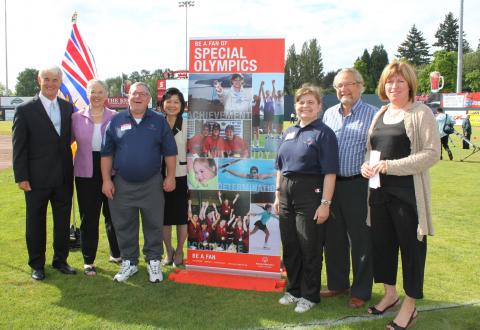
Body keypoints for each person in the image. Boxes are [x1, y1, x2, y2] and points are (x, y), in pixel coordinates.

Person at [360, 60, 440, 330]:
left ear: (410, 85)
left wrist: (390, 166)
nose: (393, 86)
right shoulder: (380, 112)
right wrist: (366, 165)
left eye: (400, 81)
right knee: (382, 245)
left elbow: (431, 154)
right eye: (389, 81)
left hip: (407, 194)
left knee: (411, 250)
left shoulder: (421, 112)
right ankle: (390, 295)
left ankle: (409, 306)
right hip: (378, 193)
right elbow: (373, 148)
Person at [101, 82, 177, 283]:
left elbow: (169, 152)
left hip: (152, 183)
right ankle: (129, 262)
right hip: (122, 183)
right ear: (128, 96)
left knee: (153, 224)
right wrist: (106, 180)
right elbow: (106, 154)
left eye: (143, 94)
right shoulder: (116, 121)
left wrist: (170, 176)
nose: (138, 97)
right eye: (135, 93)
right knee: (124, 225)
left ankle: (153, 261)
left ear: (149, 99)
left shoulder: (159, 121)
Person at [274, 84, 339, 313]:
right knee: (290, 245)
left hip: (311, 193)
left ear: (319, 106)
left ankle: (310, 294)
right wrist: (277, 193)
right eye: (302, 102)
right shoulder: (289, 131)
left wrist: (325, 204)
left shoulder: (324, 133)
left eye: (311, 102)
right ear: (296, 106)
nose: (305, 106)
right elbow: (280, 167)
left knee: (309, 246)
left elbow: (330, 172)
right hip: (286, 193)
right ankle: (294, 290)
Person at [12, 66, 76, 280]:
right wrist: (21, 176)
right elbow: (19, 147)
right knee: (35, 222)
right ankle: (37, 265)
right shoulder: (25, 110)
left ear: (60, 82)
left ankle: (60, 260)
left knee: (62, 221)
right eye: (46, 79)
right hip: (36, 179)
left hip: (63, 177)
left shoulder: (68, 108)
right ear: (39, 80)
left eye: (55, 80)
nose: (50, 83)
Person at [321, 68, 377, 308]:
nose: (344, 90)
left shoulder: (373, 114)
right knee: (333, 239)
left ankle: (361, 291)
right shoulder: (329, 114)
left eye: (348, 84)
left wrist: (370, 164)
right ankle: (337, 283)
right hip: (332, 185)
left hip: (358, 185)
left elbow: (377, 148)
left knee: (361, 239)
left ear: (360, 85)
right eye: (339, 86)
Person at [72, 79, 121, 276]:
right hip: (85, 173)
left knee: (113, 215)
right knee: (89, 218)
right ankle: (88, 260)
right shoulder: (76, 118)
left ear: (106, 95)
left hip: (112, 171)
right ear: (87, 93)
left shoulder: (116, 117)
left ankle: (116, 254)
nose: (97, 95)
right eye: (93, 91)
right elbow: (64, 143)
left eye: (101, 92)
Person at [159, 87, 189, 267]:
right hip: (158, 176)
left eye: (176, 102)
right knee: (164, 216)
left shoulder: (187, 124)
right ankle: (168, 250)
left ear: (182, 105)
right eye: (168, 101)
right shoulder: (156, 123)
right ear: (163, 104)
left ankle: (179, 250)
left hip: (181, 176)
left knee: (180, 216)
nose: (172, 105)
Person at [252, 82, 264, 147]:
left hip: (257, 116)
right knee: (252, 130)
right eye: (254, 96)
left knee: (257, 129)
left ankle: (257, 143)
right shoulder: (252, 102)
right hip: (252, 117)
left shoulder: (258, 101)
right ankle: (252, 143)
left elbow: (259, 93)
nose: (255, 97)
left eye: (256, 96)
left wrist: (260, 85)